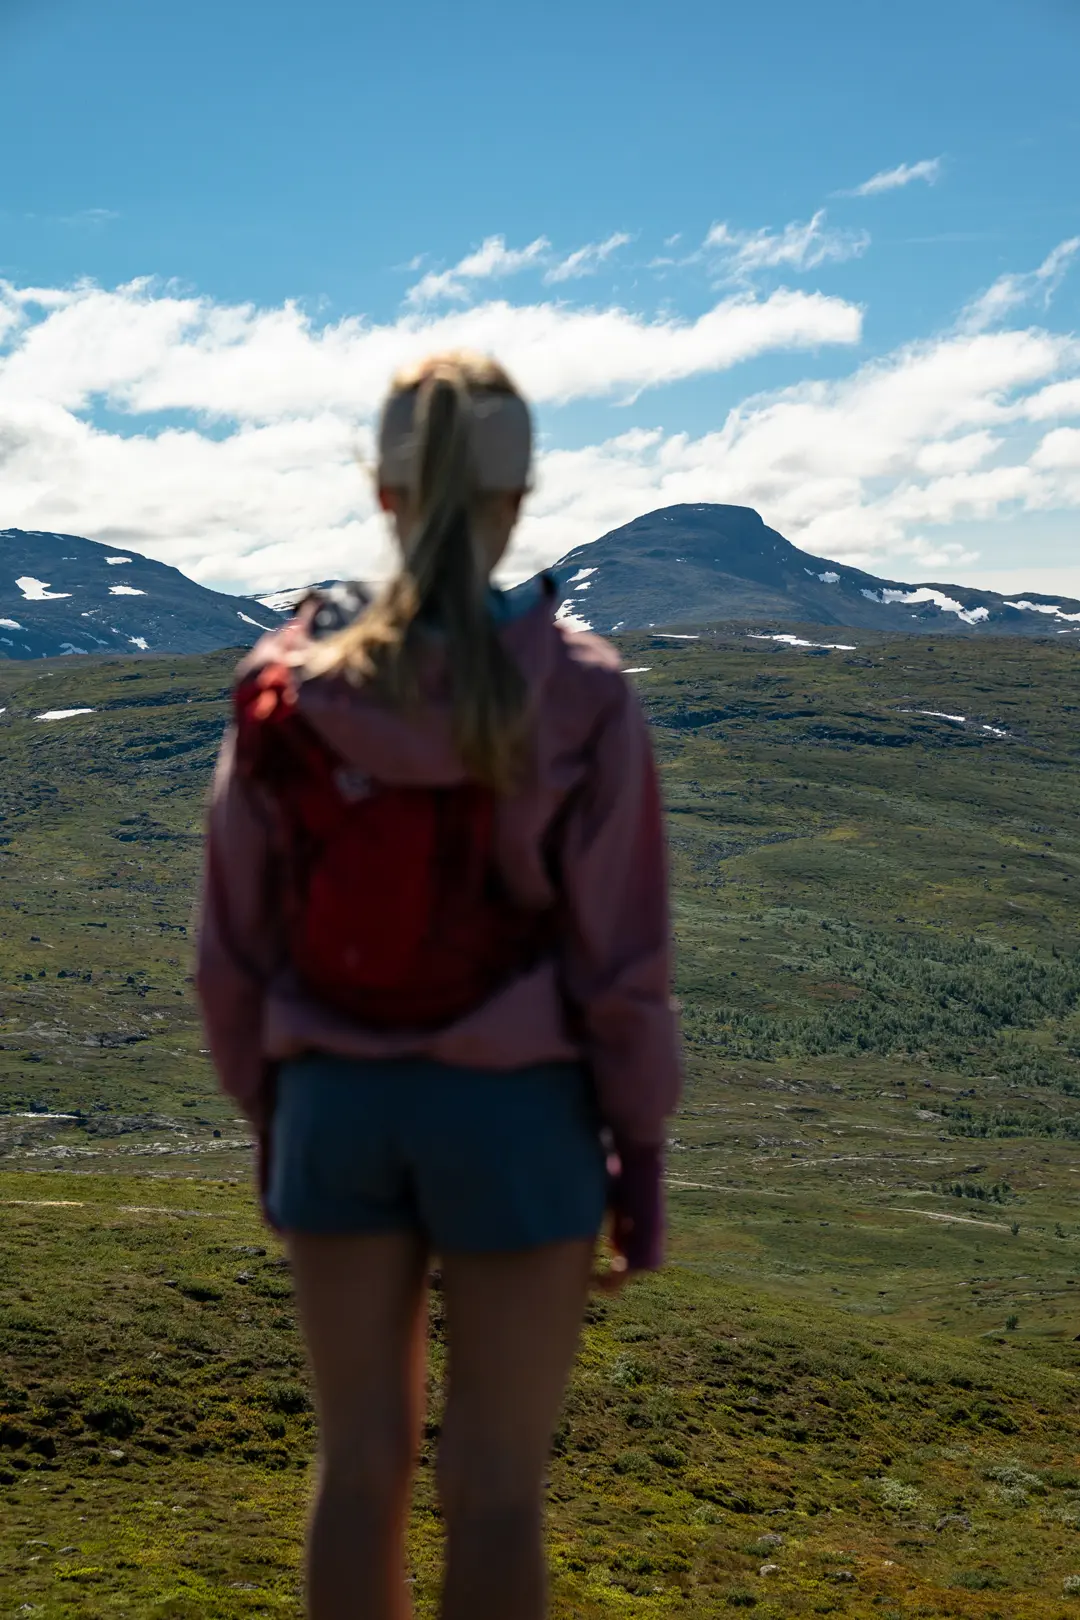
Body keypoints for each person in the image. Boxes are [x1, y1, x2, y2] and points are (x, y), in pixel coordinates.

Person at [196, 350, 680, 1620]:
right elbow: (623, 966)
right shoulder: (579, 694)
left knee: (358, 1468)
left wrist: (276, 1119)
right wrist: (640, 1154)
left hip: (334, 1111)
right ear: (518, 497)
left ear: (384, 489)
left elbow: (230, 953)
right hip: (520, 1114)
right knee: (498, 1486)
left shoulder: (286, 692)